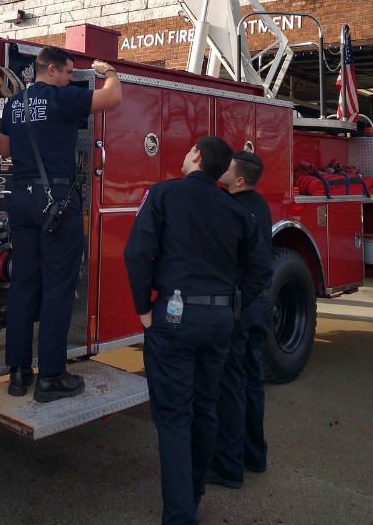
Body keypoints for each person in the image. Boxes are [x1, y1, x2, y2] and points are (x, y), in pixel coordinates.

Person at [124, 136, 272, 525]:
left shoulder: (163, 194)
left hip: (172, 320)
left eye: (190, 150)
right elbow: (260, 269)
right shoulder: (237, 210)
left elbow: (136, 253)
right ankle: (192, 495)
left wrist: (143, 309)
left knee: (174, 417)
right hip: (219, 322)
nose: (186, 154)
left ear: (198, 157)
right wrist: (233, 309)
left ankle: (180, 515)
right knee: (205, 408)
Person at [0, 45, 122, 403]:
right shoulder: (62, 99)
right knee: (57, 288)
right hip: (58, 203)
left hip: (21, 200)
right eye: (69, 72)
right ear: (51, 70)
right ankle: (50, 377)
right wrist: (109, 71)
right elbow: (112, 98)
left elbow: (3, 150)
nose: (72, 79)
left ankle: (18, 373)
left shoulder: (14, 104)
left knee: (23, 284)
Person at [207, 150, 273, 489]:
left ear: (240, 179)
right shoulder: (259, 205)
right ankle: (254, 455)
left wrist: (237, 306)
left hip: (243, 306)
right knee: (252, 380)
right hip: (259, 305)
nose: (223, 169)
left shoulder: (237, 208)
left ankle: (228, 467)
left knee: (230, 385)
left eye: (228, 167)